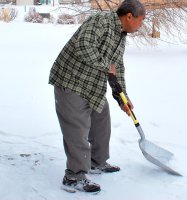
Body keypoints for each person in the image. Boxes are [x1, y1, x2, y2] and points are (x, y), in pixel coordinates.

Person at [48, 0, 145, 193]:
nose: (142, 25)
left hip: (92, 84)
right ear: (128, 16)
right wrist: (105, 66)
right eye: (141, 21)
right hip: (71, 81)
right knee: (77, 132)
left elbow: (117, 69)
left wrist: (122, 97)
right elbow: (83, 45)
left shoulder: (121, 35)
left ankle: (96, 162)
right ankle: (74, 176)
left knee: (101, 121)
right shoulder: (101, 21)